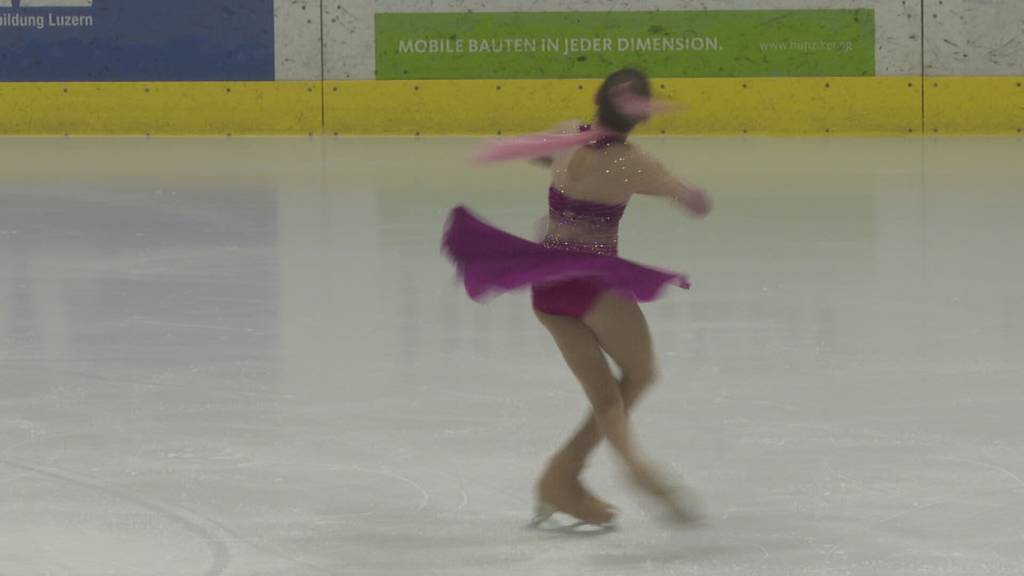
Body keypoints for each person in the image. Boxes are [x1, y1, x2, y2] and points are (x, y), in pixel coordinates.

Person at [443, 68, 711, 526]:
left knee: (608, 397)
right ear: (639, 115)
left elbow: (539, 158)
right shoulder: (634, 162)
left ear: (597, 101)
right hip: (591, 282)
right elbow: (695, 203)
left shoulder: (569, 132)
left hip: (547, 285)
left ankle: (561, 480)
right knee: (641, 374)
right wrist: (689, 194)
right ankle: (633, 465)